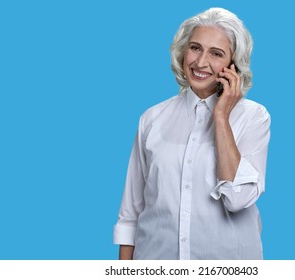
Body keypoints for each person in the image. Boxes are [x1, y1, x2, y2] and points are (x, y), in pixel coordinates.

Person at [113, 7, 271, 260]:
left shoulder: (253, 117)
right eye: (195, 48)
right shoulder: (151, 118)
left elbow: (238, 198)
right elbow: (131, 212)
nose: (200, 62)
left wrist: (221, 116)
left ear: (233, 65)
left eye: (216, 53)